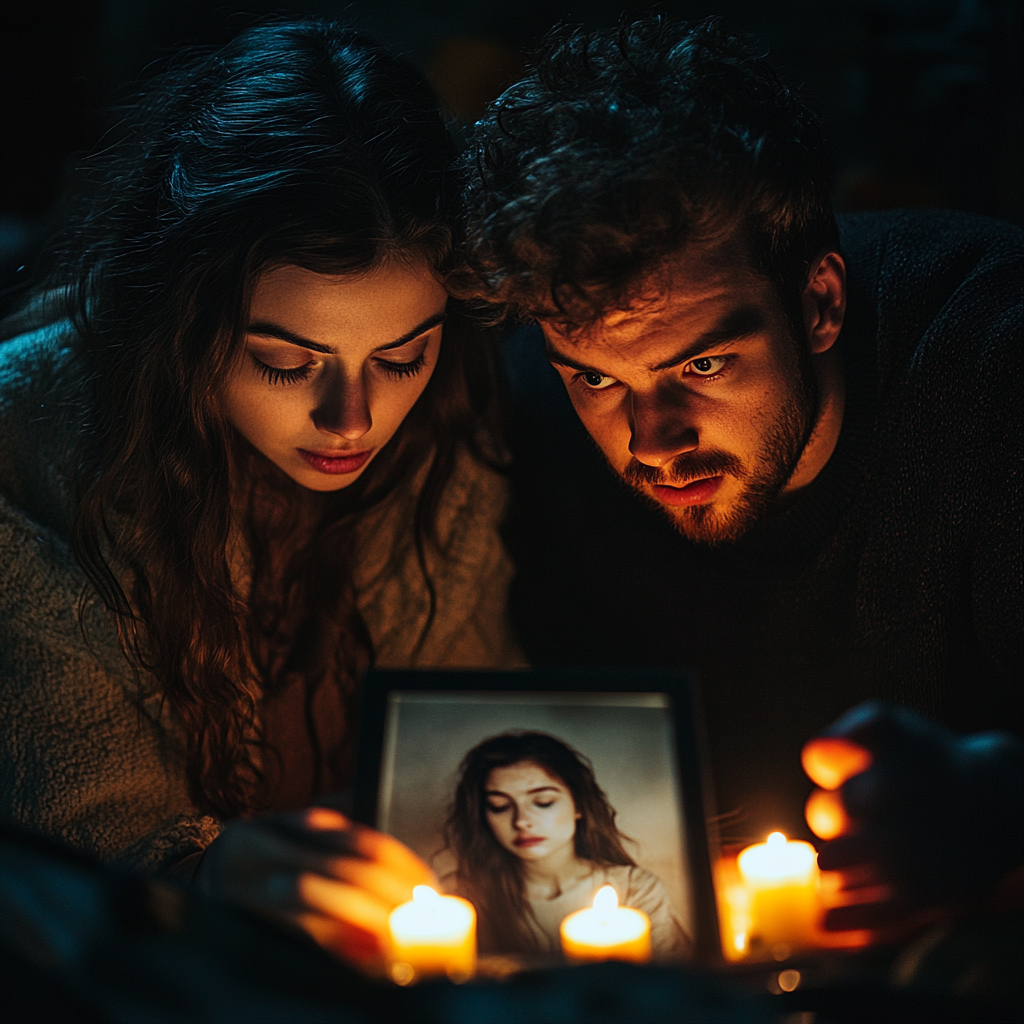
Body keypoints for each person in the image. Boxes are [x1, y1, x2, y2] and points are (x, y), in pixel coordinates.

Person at [454, 16, 1023, 936]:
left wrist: (1001, 805)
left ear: (821, 302)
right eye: (598, 378)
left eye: (702, 366)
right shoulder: (526, 414)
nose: (651, 440)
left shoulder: (994, 366)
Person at [0, 20, 522, 967]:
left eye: (402, 356)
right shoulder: (27, 461)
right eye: (287, 362)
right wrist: (202, 878)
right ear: (182, 319)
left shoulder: (442, 447)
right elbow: (67, 852)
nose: (353, 419)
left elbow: (473, 712)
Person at [442, 731, 689, 959]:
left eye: (543, 802)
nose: (521, 821)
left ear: (578, 805)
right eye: (499, 806)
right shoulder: (457, 901)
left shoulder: (636, 889)